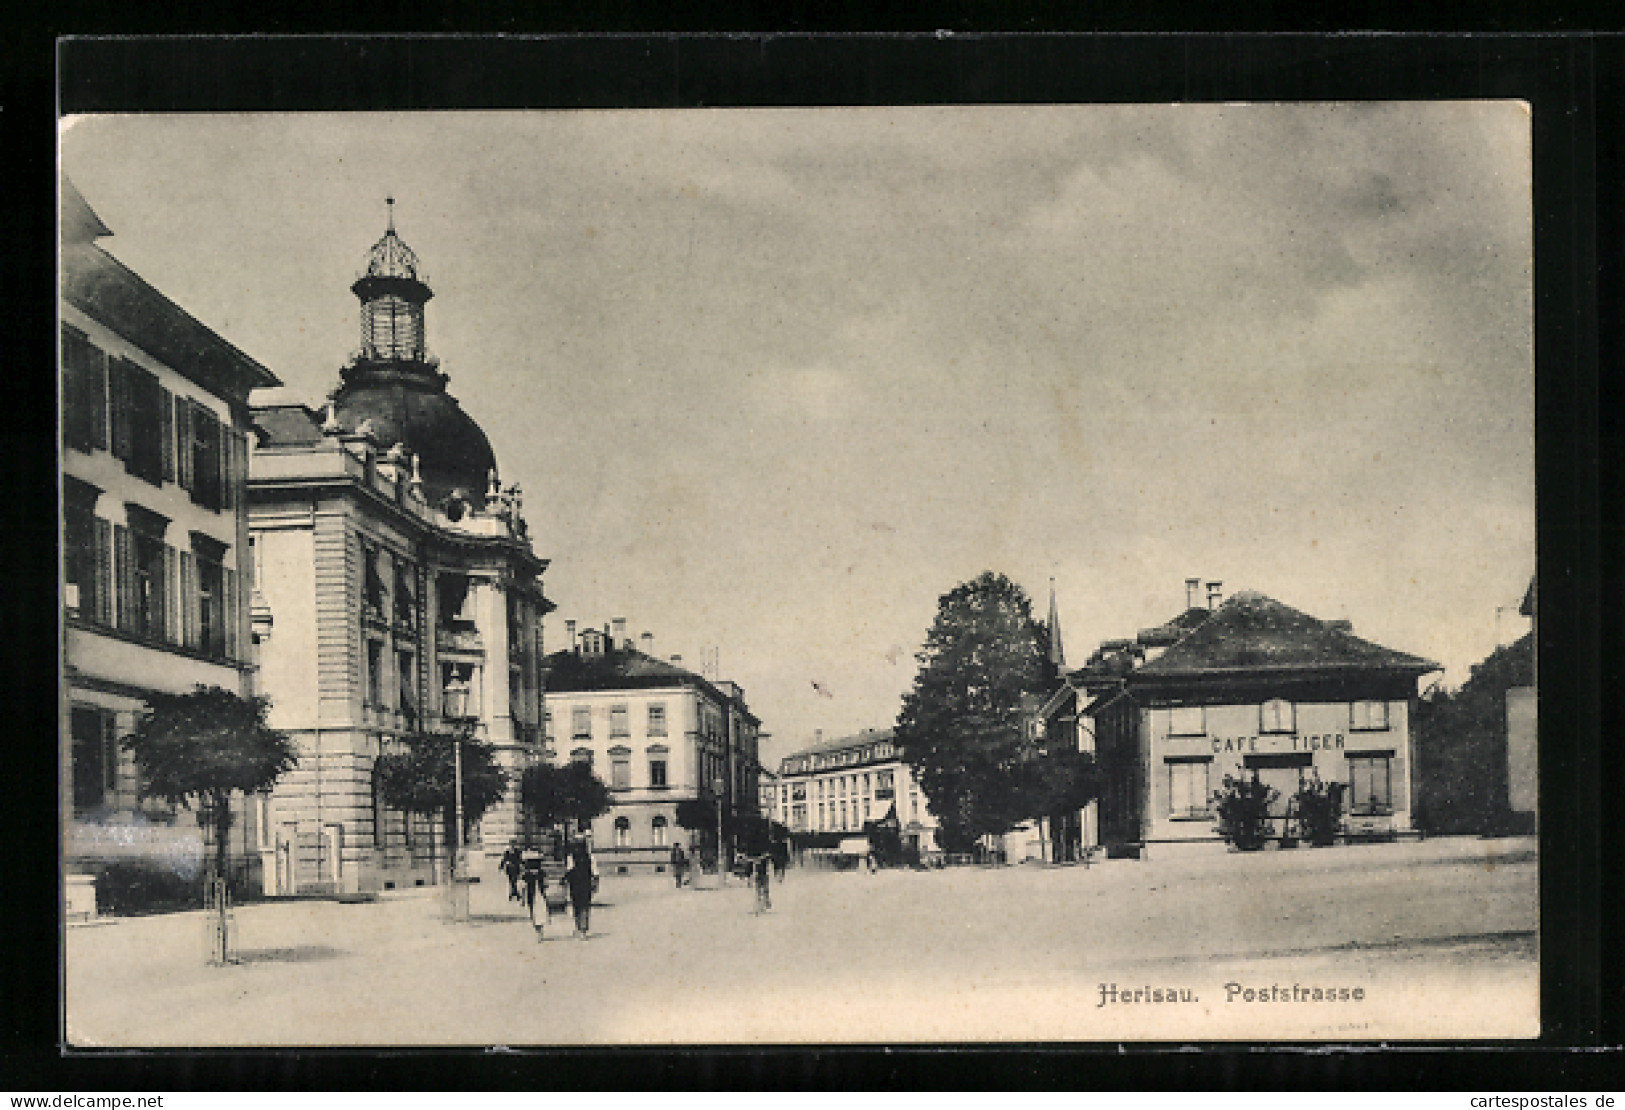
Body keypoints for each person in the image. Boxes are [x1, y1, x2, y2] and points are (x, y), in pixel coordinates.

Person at [564, 837, 598, 939]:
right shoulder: (590, 857)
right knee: (585, 905)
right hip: (585, 883)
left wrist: (565, 880)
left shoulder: (571, 857)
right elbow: (595, 873)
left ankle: (579, 928)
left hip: (575, 884)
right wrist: (595, 884)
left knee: (577, 905)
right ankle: (583, 929)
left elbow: (569, 871)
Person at [520, 846, 547, 936]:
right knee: (540, 912)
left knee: (534, 912)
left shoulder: (527, 874)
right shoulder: (541, 873)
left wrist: (523, 899)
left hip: (532, 895)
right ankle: (539, 929)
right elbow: (545, 884)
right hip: (539, 895)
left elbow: (523, 887)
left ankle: (538, 929)